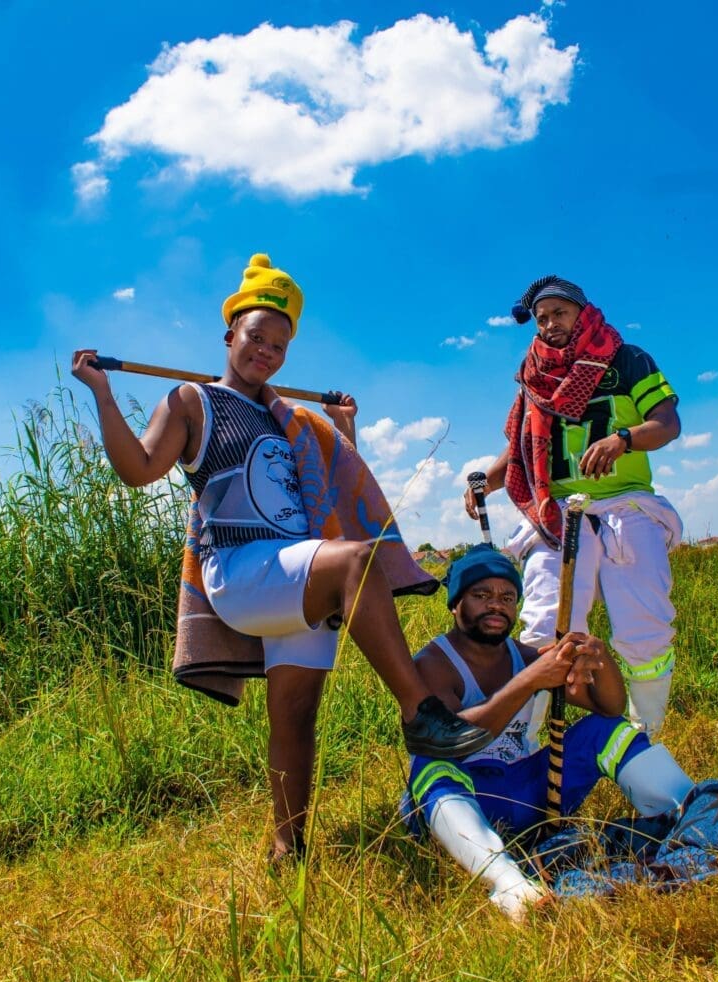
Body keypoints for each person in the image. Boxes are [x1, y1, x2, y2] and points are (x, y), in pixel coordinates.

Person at [73, 252, 491, 865]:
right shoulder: (192, 401)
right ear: (230, 335)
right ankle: (419, 709)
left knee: (295, 715)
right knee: (355, 562)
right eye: (255, 337)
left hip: (299, 573)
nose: (265, 352)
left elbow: (332, 488)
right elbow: (137, 469)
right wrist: (103, 395)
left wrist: (343, 428)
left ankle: (287, 848)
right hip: (241, 570)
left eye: (279, 345)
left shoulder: (289, 419)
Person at [401, 547, 718, 921]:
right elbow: (452, 737)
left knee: (603, 731)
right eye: (481, 595)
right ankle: (506, 882)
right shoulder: (434, 663)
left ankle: (707, 818)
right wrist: (529, 681)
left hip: (525, 794)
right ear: (455, 604)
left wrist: (598, 657)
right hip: (462, 806)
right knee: (431, 763)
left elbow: (608, 708)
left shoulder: (522, 656)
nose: (496, 605)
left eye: (507, 597)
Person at [465, 275, 684, 738]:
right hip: (558, 512)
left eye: (559, 313)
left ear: (583, 314)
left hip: (627, 505)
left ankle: (645, 732)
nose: (549, 324)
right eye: (541, 318)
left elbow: (667, 423)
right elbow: (521, 448)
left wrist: (623, 439)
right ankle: (523, 740)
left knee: (643, 626)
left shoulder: (626, 359)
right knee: (545, 625)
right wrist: (487, 481)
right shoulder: (533, 374)